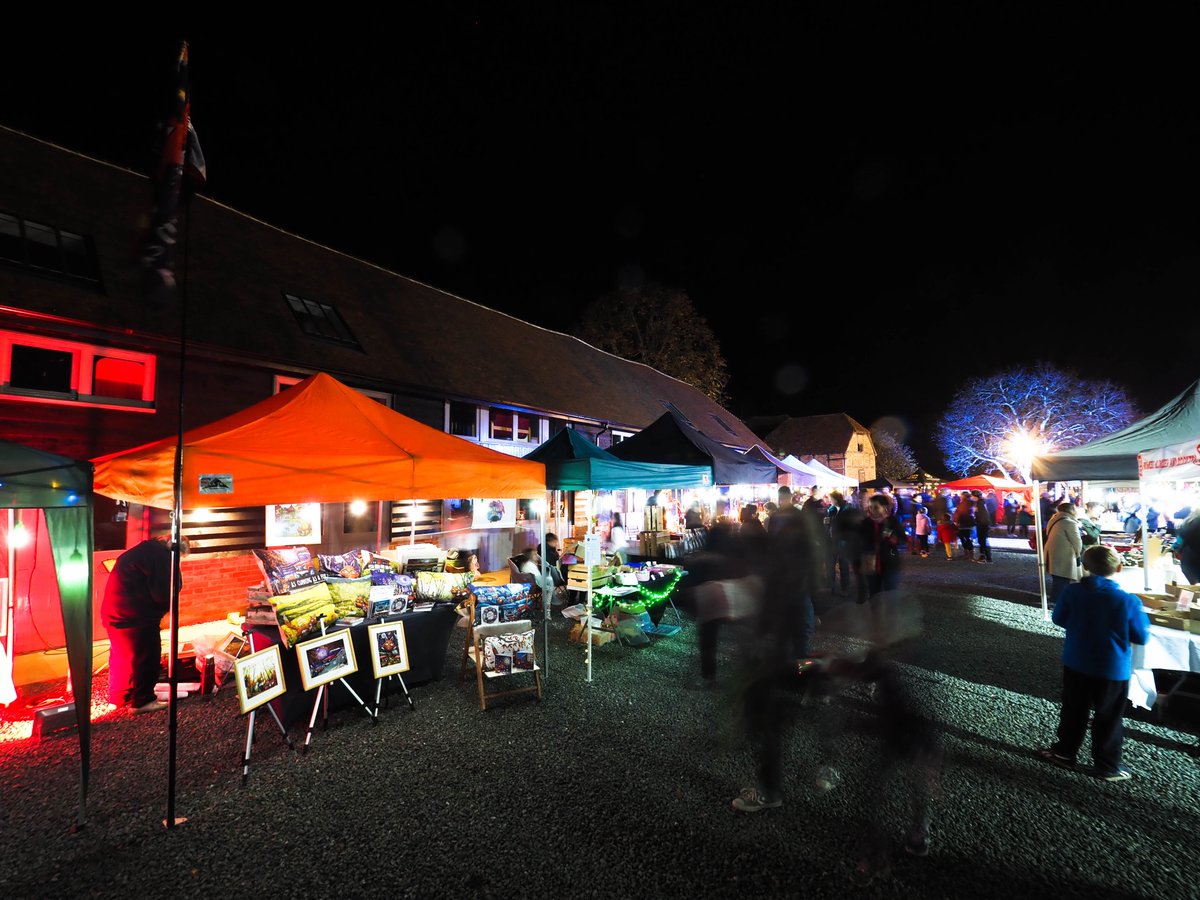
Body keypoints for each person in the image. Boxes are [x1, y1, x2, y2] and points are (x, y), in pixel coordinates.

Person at [1039, 545, 1149, 781]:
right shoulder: (1128, 601)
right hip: (1112, 668)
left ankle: (1064, 752)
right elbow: (1141, 636)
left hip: (1077, 661)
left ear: (1085, 566)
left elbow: (1059, 619)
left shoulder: (1072, 592)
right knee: (1108, 716)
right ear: (1119, 568)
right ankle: (1108, 765)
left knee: (1073, 710)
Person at [101, 536, 188, 713]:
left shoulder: (144, 551)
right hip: (137, 615)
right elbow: (164, 593)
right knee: (146, 657)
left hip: (115, 612)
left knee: (121, 656)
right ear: (177, 551)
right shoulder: (161, 556)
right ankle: (142, 700)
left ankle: (119, 697)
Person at [859, 493, 903, 601]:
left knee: (891, 594)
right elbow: (859, 541)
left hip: (890, 563)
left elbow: (903, 539)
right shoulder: (865, 523)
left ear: (884, 507)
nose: (872, 510)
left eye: (876, 507)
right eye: (870, 507)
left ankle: (890, 611)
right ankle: (876, 611)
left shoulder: (892, 522)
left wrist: (894, 539)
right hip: (871, 563)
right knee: (874, 594)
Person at [1044, 502, 1083, 608]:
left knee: (1058, 578)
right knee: (1063, 579)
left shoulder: (1053, 519)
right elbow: (1077, 542)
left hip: (1053, 552)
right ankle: (1055, 602)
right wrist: (1078, 554)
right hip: (1065, 554)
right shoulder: (1069, 522)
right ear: (1072, 510)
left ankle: (1055, 600)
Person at [1174, 508, 1200, 584]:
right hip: (1193, 559)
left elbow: (1182, 537)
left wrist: (1177, 549)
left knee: (1195, 584)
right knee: (1196, 584)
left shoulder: (1189, 522)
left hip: (1188, 558)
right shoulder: (1197, 522)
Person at [971, 490, 992, 563]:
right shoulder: (981, 502)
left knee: (982, 540)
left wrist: (979, 522)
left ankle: (986, 558)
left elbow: (982, 514)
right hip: (983, 523)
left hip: (982, 524)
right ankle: (983, 556)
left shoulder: (980, 503)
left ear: (975, 496)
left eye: (972, 496)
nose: (971, 497)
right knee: (982, 540)